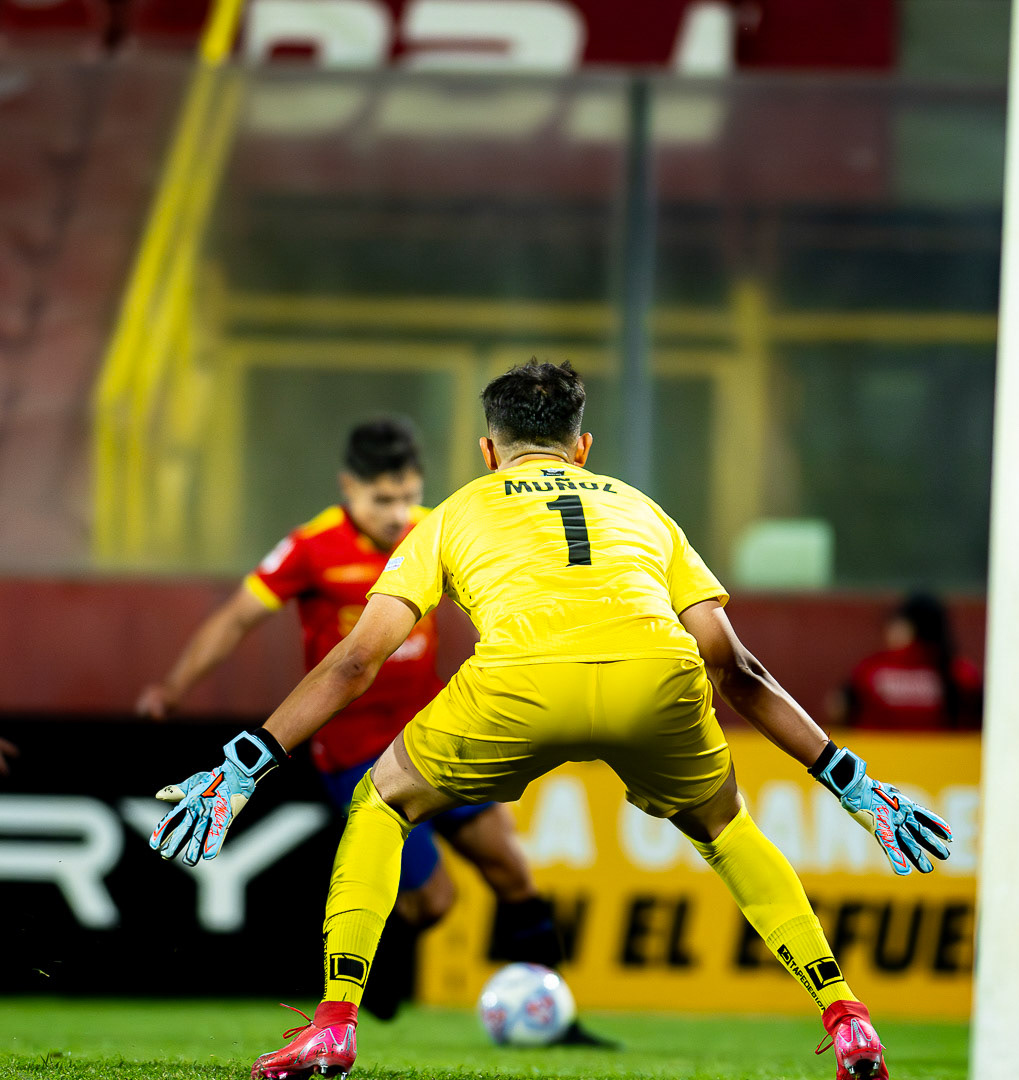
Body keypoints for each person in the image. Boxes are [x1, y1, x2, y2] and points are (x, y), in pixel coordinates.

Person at [149, 361, 952, 1080]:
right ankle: (846, 1016)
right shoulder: (645, 510)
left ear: (487, 450)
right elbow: (738, 669)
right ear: (583, 446)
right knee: (727, 829)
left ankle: (334, 1024)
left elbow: (357, 660)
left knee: (381, 803)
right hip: (658, 680)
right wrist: (850, 781)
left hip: (517, 687)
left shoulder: (452, 513)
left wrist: (245, 764)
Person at [137, 417, 601, 1037]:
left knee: (512, 869)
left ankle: (557, 1023)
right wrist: (173, 689)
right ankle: (370, 973)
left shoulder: (436, 527)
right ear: (348, 487)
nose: (397, 513)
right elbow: (236, 619)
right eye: (382, 499)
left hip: (437, 731)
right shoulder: (311, 547)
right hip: (355, 749)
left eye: (408, 496)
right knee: (435, 902)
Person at [833, 593, 982, 731]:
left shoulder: (872, 669)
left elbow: (837, 708)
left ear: (907, 627)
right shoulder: (961, 673)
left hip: (875, 750)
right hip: (946, 751)